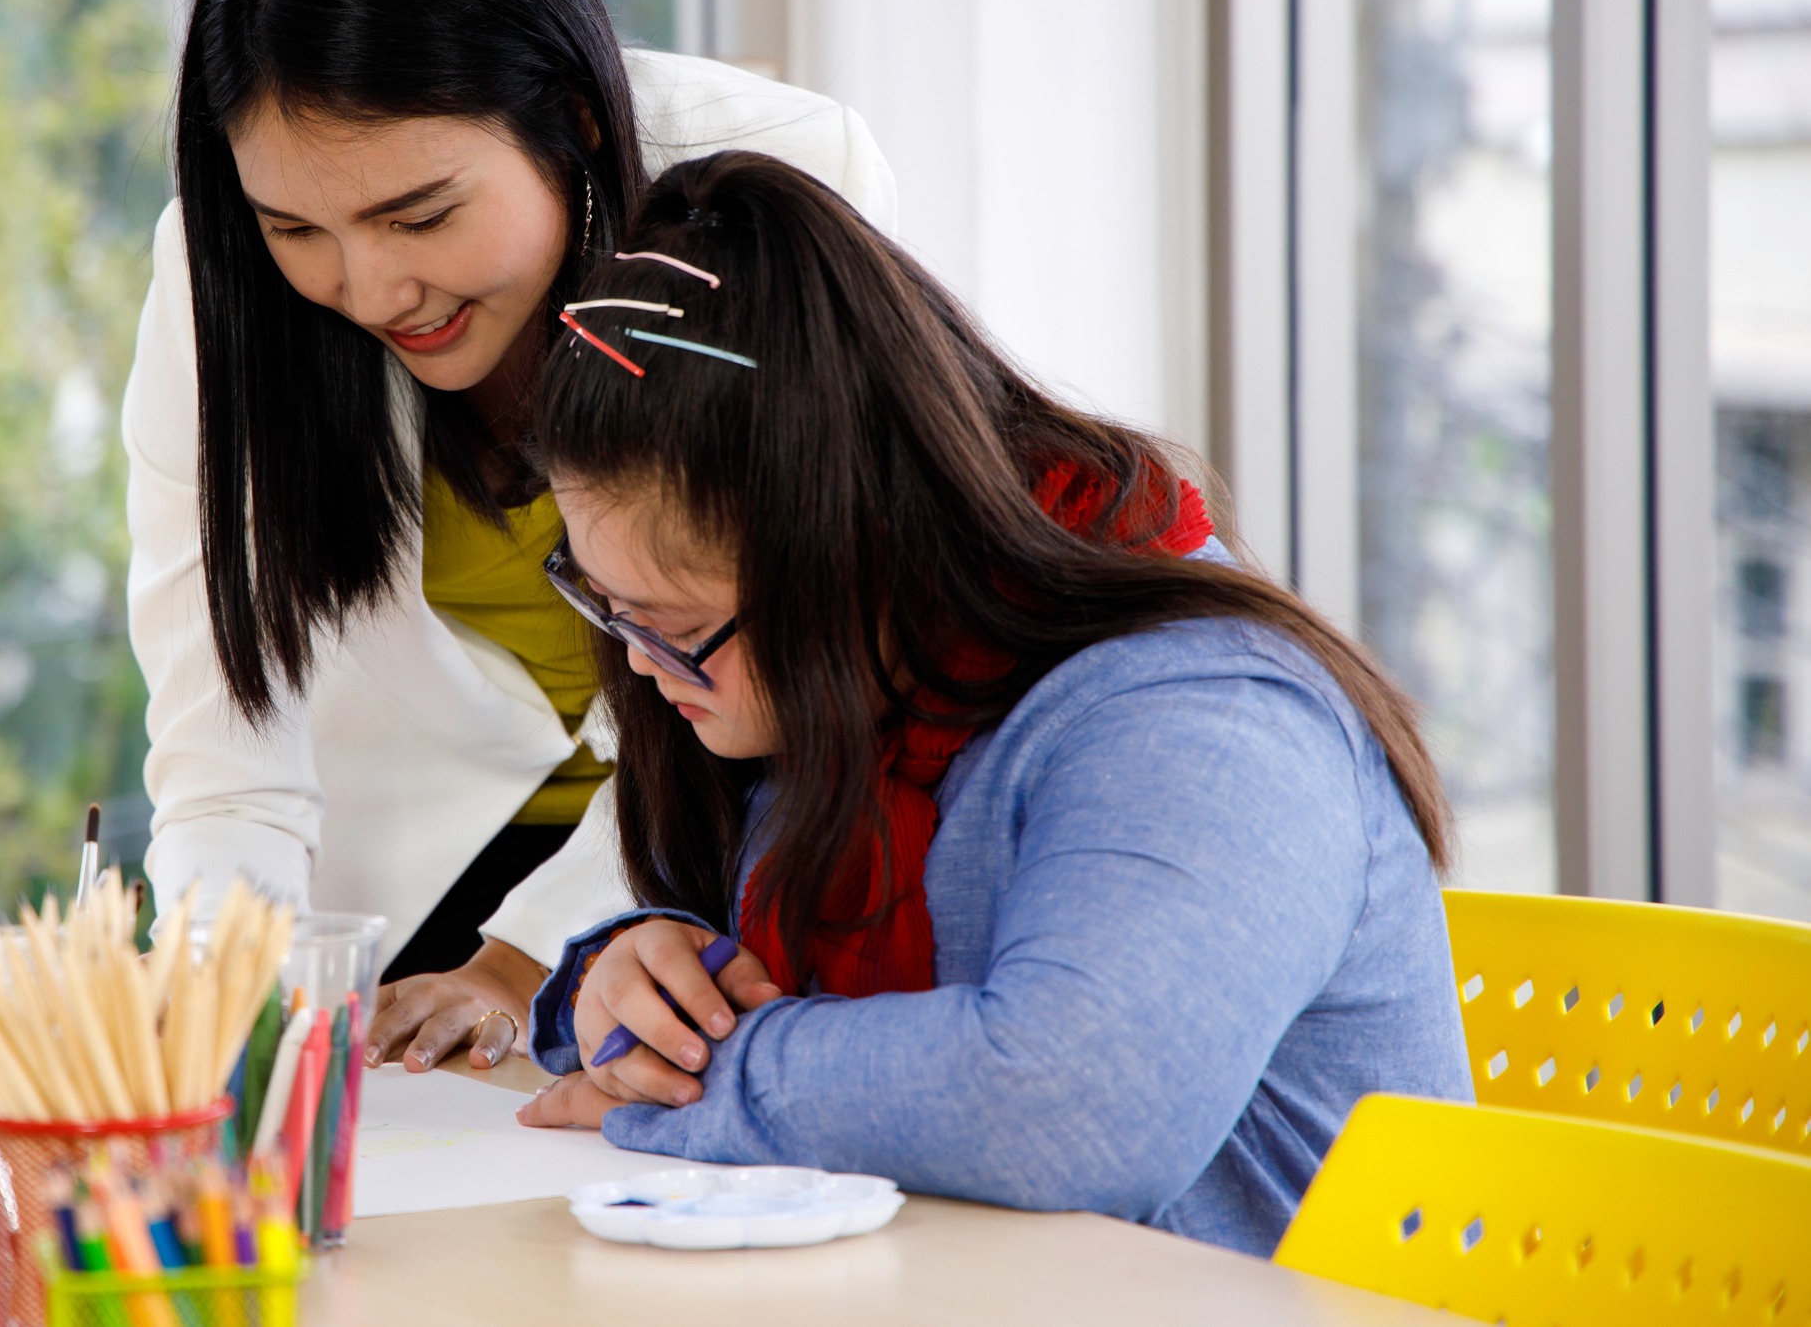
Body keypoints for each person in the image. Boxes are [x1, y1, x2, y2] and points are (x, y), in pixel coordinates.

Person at [514, 152, 1470, 1255]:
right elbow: (743, 965)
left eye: (675, 627)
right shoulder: (864, 677)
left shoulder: (1207, 717)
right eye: (610, 609)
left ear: (855, 552)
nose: (640, 667)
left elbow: (1068, 1108)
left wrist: (708, 1067)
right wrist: (631, 985)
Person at [122, 0, 897, 1075]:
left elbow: (818, 647)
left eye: (419, 215)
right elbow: (227, 744)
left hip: (702, 901)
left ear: (573, 120)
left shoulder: (781, 187)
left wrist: (531, 955)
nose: (370, 288)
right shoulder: (218, 279)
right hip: (393, 941)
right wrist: (234, 1001)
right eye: (296, 229)